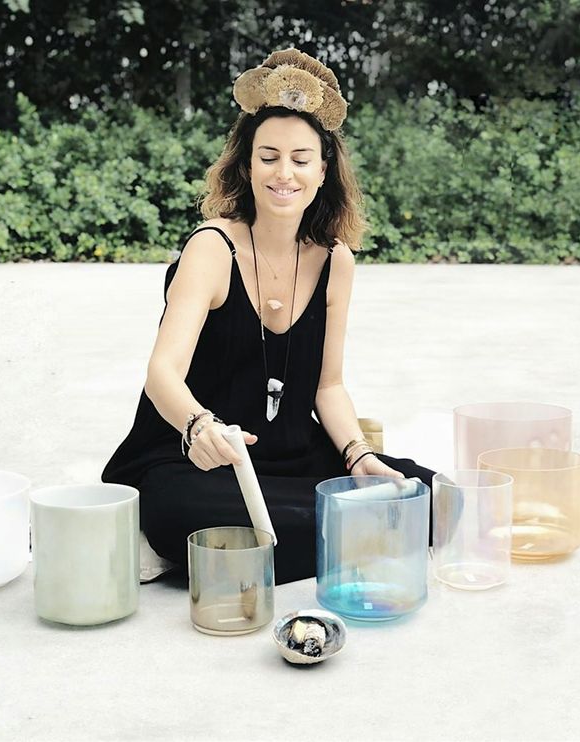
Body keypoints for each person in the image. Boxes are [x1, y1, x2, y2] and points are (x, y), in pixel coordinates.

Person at [102, 48, 434, 584]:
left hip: (291, 455)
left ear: (323, 171)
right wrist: (199, 425)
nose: (284, 173)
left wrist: (357, 457)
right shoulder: (212, 248)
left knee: (427, 491)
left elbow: (328, 387)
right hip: (194, 459)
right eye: (269, 156)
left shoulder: (336, 261)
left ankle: (322, 531)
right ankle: (354, 532)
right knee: (180, 510)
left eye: (301, 159)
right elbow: (162, 372)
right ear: (247, 165)